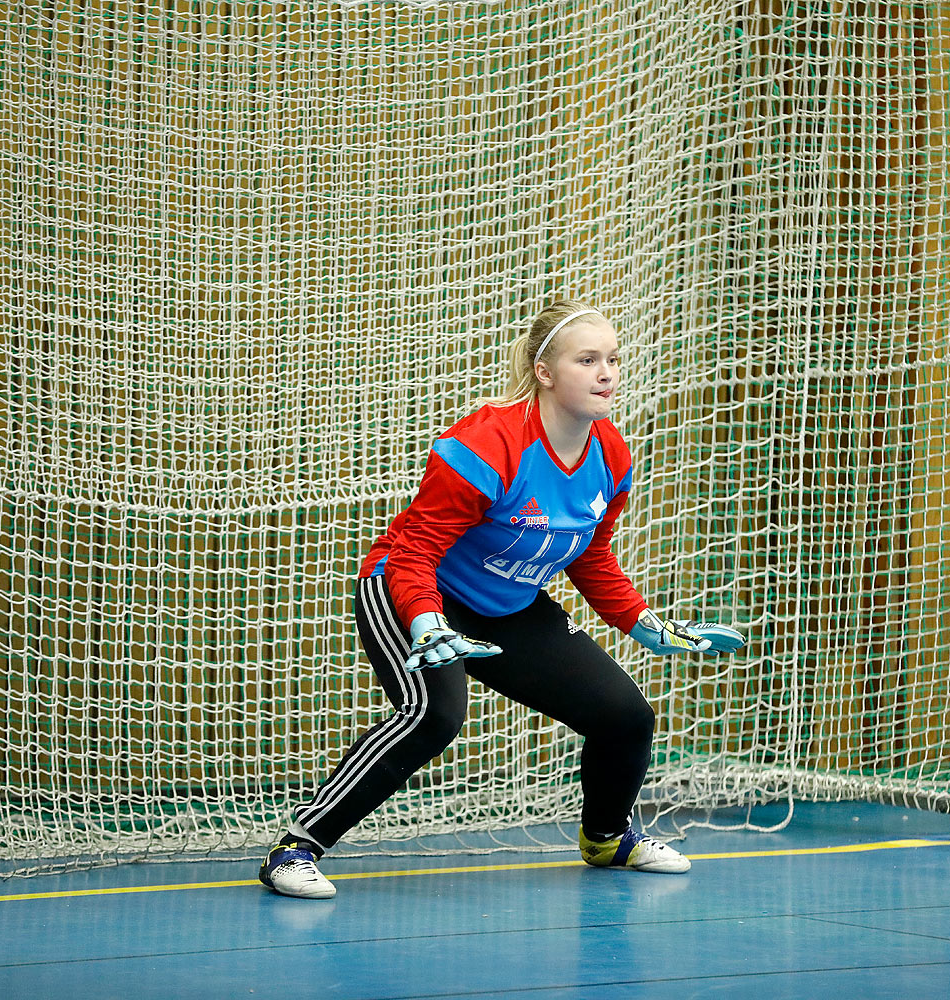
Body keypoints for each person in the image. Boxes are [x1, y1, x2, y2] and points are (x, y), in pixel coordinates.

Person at [260, 300, 746, 899]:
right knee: (433, 714)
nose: (607, 373)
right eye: (588, 360)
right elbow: (414, 555)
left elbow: (590, 556)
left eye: (613, 360)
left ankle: (606, 838)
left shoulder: (612, 456)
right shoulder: (488, 443)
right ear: (545, 372)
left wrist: (645, 624)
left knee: (626, 717)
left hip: (511, 604)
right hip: (413, 592)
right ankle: (297, 848)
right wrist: (427, 625)